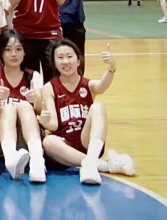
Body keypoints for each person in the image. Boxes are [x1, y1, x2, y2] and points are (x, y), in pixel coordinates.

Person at [39, 39, 136, 184]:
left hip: (87, 141)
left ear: (78, 61)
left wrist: (111, 68)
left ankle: (91, 159)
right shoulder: (49, 87)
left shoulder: (87, 85)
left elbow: (102, 86)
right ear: (54, 63)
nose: (65, 61)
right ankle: (100, 165)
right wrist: (45, 121)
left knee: (98, 107)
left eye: (69, 56)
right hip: (64, 144)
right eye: (60, 57)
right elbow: (53, 125)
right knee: (48, 141)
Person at [0, 30, 45, 182]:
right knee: (9, 108)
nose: (13, 54)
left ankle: (37, 161)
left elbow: (40, 110)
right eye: (8, 49)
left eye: (18, 49)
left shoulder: (34, 76)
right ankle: (10, 158)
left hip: (27, 137)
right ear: (1, 53)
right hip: (0, 138)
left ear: (24, 52)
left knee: (25, 105)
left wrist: (35, 100)